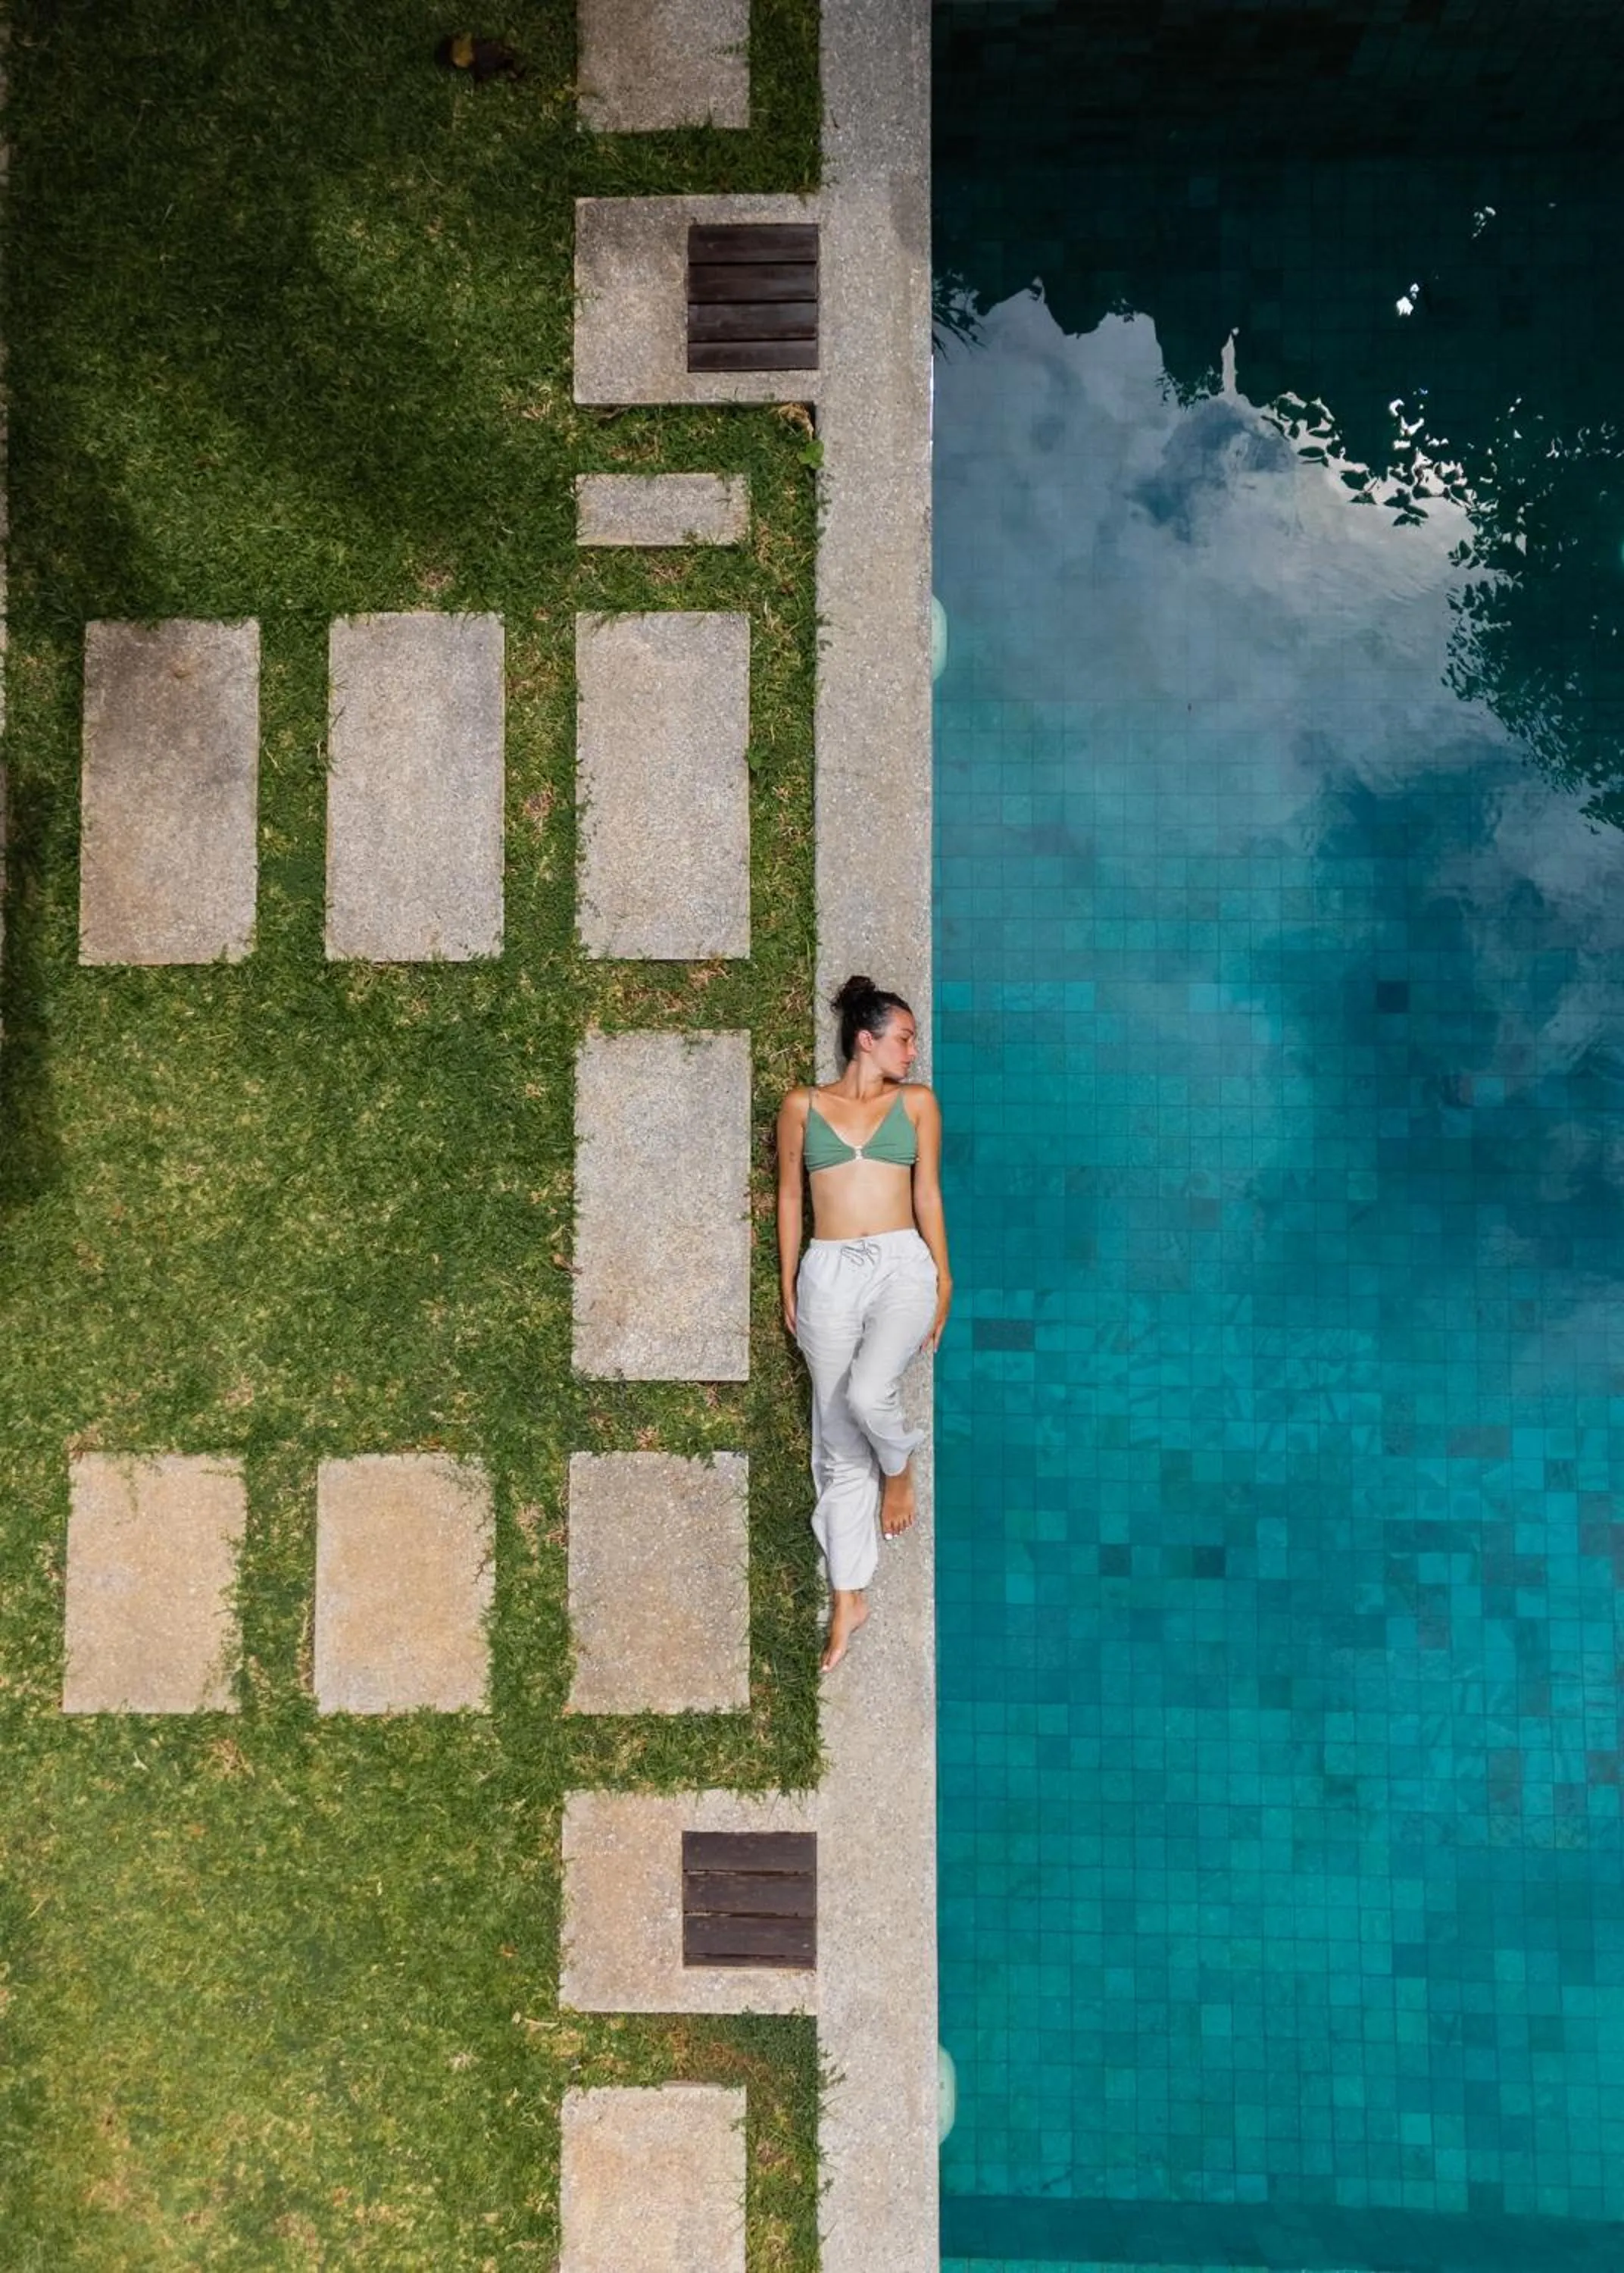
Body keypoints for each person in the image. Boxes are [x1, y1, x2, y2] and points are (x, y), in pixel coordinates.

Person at [776, 976, 953, 1671]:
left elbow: (928, 1192)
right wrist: (790, 1277)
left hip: (902, 1265)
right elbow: (792, 1194)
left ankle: (900, 1468)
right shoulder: (802, 1106)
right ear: (866, 1038)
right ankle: (850, 1595)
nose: (913, 1052)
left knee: (868, 1392)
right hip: (828, 1269)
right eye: (904, 1039)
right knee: (836, 1436)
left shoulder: (917, 1106)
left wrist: (945, 1275)